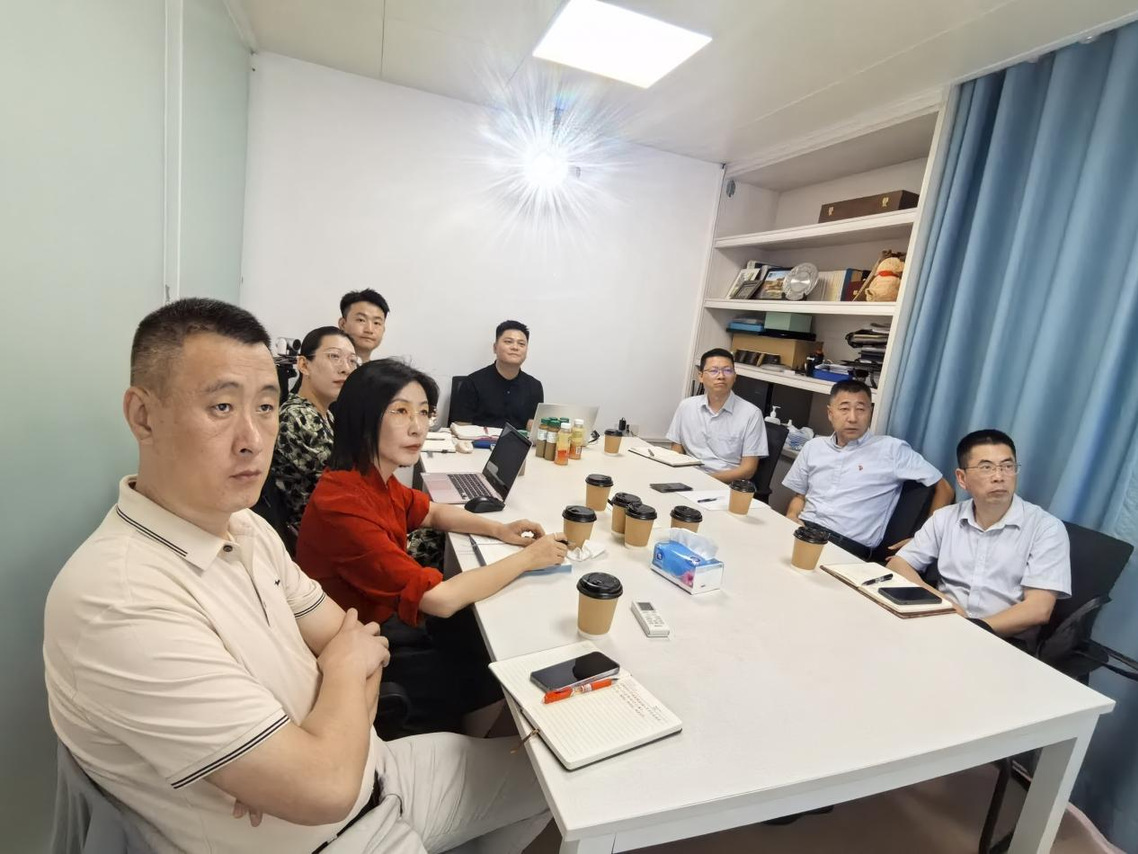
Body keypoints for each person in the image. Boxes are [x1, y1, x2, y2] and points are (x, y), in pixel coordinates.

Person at [43, 298, 550, 854]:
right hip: (330, 839)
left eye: (265, 407)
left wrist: (326, 718)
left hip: (380, 772)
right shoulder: (118, 599)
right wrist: (341, 682)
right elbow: (324, 788)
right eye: (220, 406)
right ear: (143, 416)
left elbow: (360, 641)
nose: (253, 438)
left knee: (555, 779)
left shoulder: (248, 530)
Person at [296, 358, 568, 734]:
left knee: (481, 630)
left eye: (424, 412)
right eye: (401, 411)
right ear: (363, 417)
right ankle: (467, 743)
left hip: (376, 623)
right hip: (362, 649)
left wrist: (500, 529)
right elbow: (439, 599)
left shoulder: (371, 478)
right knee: (500, 666)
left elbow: (433, 512)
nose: (418, 426)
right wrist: (528, 559)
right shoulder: (344, 504)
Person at [888, 429, 1070, 638]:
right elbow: (898, 564)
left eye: (1007, 466)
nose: (999, 477)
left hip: (1002, 639)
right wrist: (943, 604)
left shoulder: (1046, 528)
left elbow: (1038, 609)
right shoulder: (945, 518)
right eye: (986, 468)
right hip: (941, 622)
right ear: (962, 478)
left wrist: (970, 629)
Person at [783, 379, 954, 561]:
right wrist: (791, 516)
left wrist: (924, 539)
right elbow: (799, 497)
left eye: (860, 409)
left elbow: (944, 488)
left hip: (845, 546)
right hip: (802, 530)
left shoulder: (891, 449)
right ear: (830, 413)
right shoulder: (814, 446)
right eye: (844, 408)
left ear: (870, 412)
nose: (852, 418)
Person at [270, 326, 357, 536]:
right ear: (303, 365)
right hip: (323, 535)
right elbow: (350, 485)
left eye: (352, 361)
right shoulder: (297, 417)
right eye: (334, 356)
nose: (346, 368)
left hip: (339, 523)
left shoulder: (324, 414)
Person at [666, 348, 767, 484]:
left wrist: (704, 481)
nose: (721, 376)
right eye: (714, 371)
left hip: (724, 484)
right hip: (686, 478)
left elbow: (748, 470)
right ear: (701, 376)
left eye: (728, 371)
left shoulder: (751, 414)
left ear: (735, 376)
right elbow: (676, 448)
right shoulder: (687, 406)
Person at [449, 320, 544, 429]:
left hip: (516, 440)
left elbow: (532, 429)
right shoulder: (473, 382)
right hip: (479, 440)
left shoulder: (534, 386)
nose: (515, 347)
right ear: (495, 348)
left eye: (521, 344)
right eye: (508, 342)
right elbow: (462, 427)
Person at [338, 288, 389, 363]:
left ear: (383, 329)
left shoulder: (384, 369)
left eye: (376, 323)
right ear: (342, 324)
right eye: (361, 320)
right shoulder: (327, 365)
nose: (369, 330)